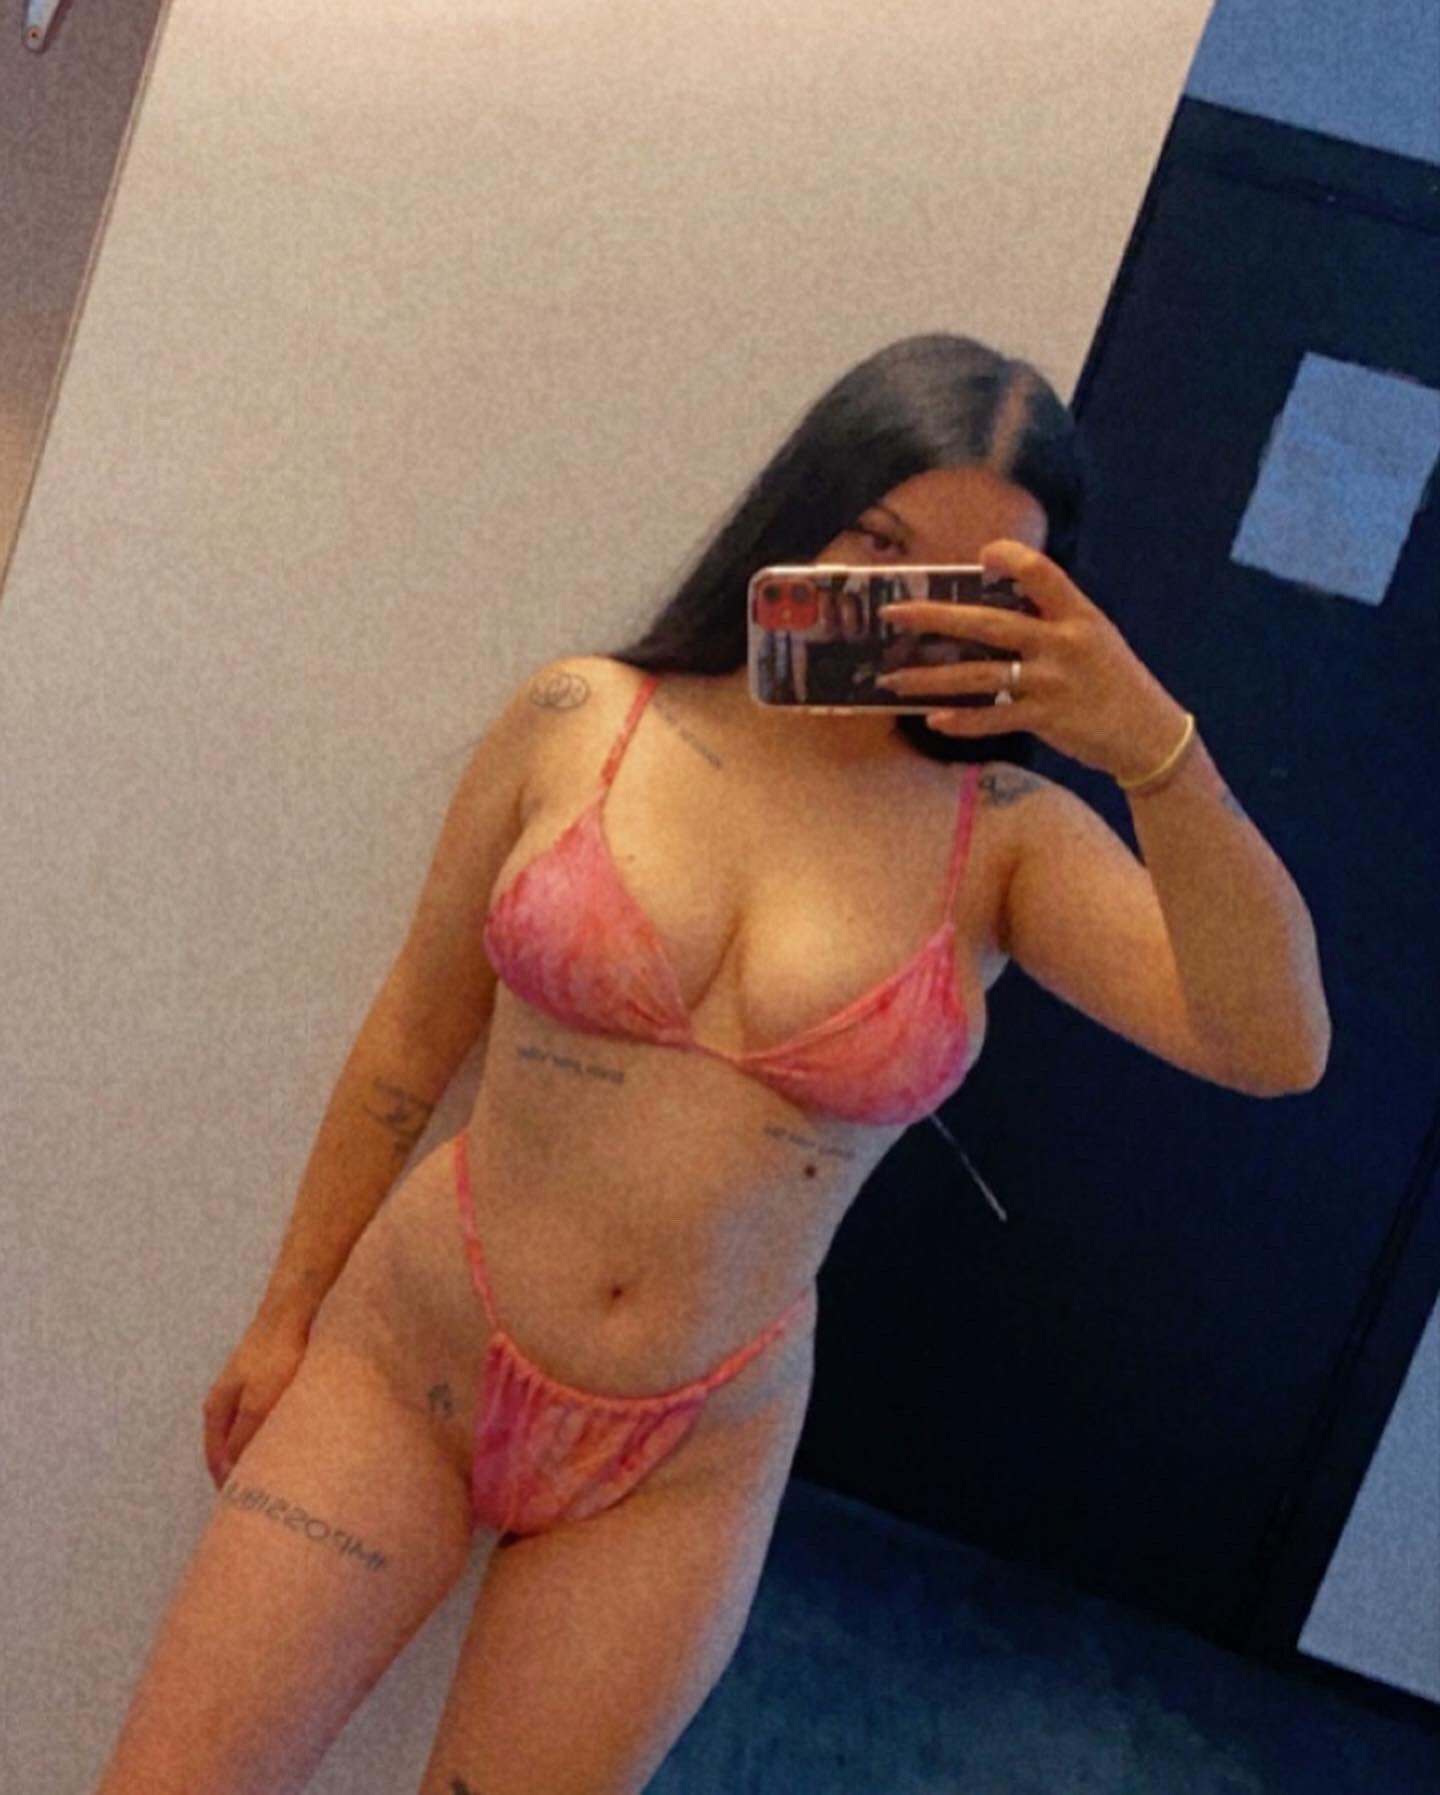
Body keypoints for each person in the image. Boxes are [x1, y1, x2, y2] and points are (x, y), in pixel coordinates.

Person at [95, 333, 1326, 1795]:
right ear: (805, 507)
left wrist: (1153, 750)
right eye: (879, 543)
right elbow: (415, 1032)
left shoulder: (1003, 837)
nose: (908, 603)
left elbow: (1273, 1045)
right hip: (408, 1363)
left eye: (971, 581)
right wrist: (284, 1312)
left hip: (682, 1462)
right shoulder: (582, 719)